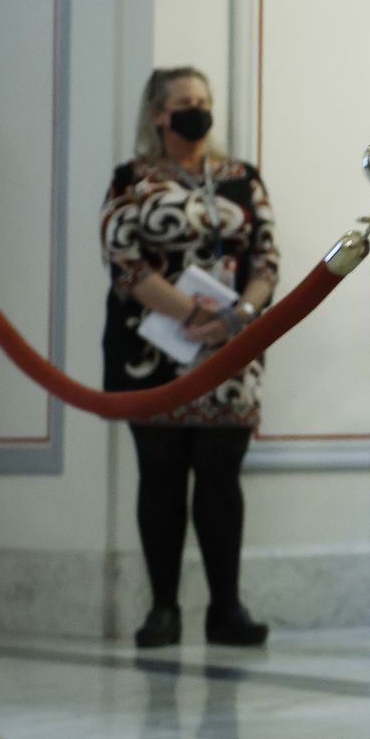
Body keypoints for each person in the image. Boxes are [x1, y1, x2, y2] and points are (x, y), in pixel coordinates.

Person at [101, 66, 278, 650]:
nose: (197, 110)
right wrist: (189, 315)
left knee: (222, 479)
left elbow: (266, 261)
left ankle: (226, 609)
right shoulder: (132, 179)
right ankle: (163, 609)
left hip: (230, 352)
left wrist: (236, 317)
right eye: (183, 102)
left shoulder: (242, 178)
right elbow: (124, 262)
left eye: (203, 101)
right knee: (161, 478)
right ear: (158, 114)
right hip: (150, 350)